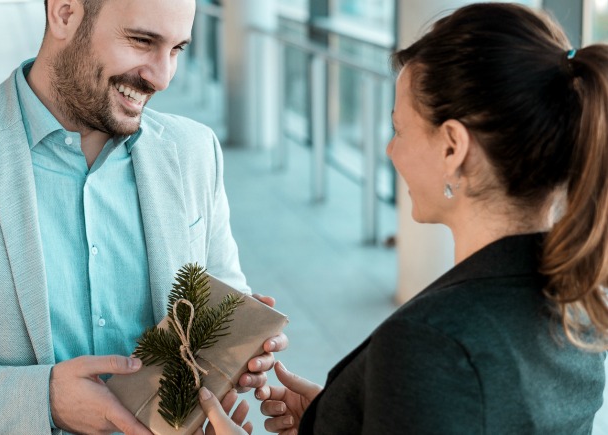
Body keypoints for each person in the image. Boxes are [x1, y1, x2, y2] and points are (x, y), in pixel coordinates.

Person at [0, 0, 287, 434]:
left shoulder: (194, 151)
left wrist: (236, 353)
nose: (163, 76)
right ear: (65, 13)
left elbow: (223, 297)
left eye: (177, 49)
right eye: (143, 42)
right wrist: (41, 399)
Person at [200, 3, 607, 434]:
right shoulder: (580, 305)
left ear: (453, 148)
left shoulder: (431, 341)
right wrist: (343, 416)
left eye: (400, 129)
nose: (391, 151)